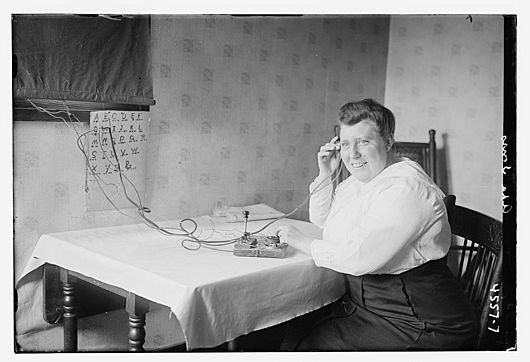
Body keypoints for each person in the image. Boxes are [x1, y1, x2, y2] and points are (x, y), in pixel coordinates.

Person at [275, 99, 478, 351]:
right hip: (372, 308)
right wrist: (326, 173)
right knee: (292, 330)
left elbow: (359, 258)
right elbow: (324, 221)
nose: (353, 154)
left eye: (363, 142)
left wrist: (300, 241)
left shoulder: (407, 188)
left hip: (423, 323)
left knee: (306, 345)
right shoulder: (360, 183)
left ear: (388, 142)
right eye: (346, 144)